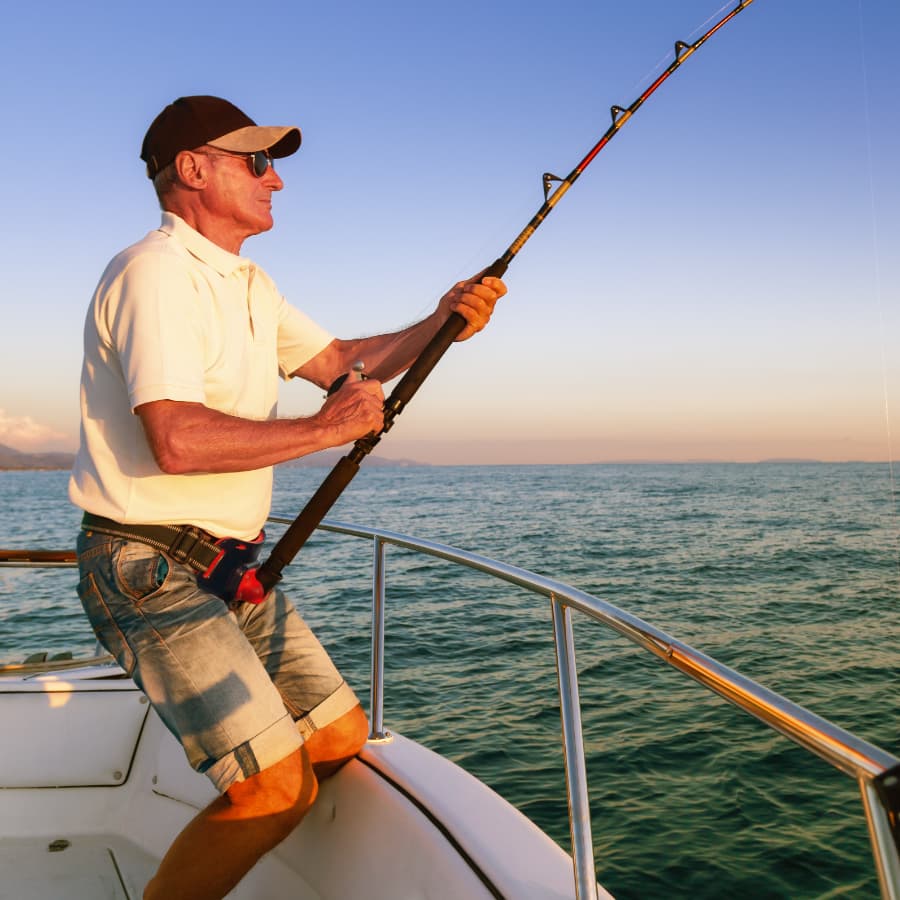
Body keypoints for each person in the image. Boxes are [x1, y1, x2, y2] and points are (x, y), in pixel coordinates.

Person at [68, 95, 506, 900]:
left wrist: (441, 321)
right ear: (193, 170)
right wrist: (326, 429)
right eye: (258, 162)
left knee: (339, 742)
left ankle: (232, 807)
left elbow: (344, 358)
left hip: (230, 567)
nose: (278, 182)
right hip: (148, 567)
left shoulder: (248, 282)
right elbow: (176, 437)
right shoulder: (154, 273)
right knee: (276, 790)